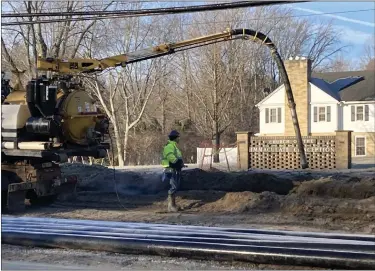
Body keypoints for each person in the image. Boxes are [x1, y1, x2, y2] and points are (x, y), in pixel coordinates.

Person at [161, 130, 184, 212]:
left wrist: (180, 163)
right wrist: (177, 162)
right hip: (170, 169)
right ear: (175, 138)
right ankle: (171, 206)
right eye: (178, 137)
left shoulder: (173, 146)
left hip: (173, 168)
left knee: (175, 186)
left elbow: (176, 157)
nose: (179, 139)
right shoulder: (170, 146)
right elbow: (170, 157)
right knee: (173, 186)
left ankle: (172, 205)